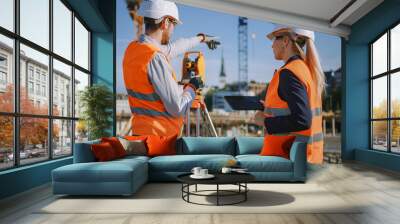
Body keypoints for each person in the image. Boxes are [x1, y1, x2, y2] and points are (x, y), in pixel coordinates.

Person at [123, 0, 220, 136]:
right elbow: (178, 107)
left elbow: (173, 49)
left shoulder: (133, 49)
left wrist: (201, 38)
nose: (173, 30)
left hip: (140, 136)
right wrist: (192, 86)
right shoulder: (155, 58)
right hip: (160, 140)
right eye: (174, 25)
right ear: (165, 23)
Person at [253, 25, 324, 164]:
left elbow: (302, 120)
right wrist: (267, 108)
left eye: (274, 39)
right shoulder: (304, 69)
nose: (272, 45)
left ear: (285, 41)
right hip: (303, 158)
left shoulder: (289, 73)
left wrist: (265, 121)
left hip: (286, 159)